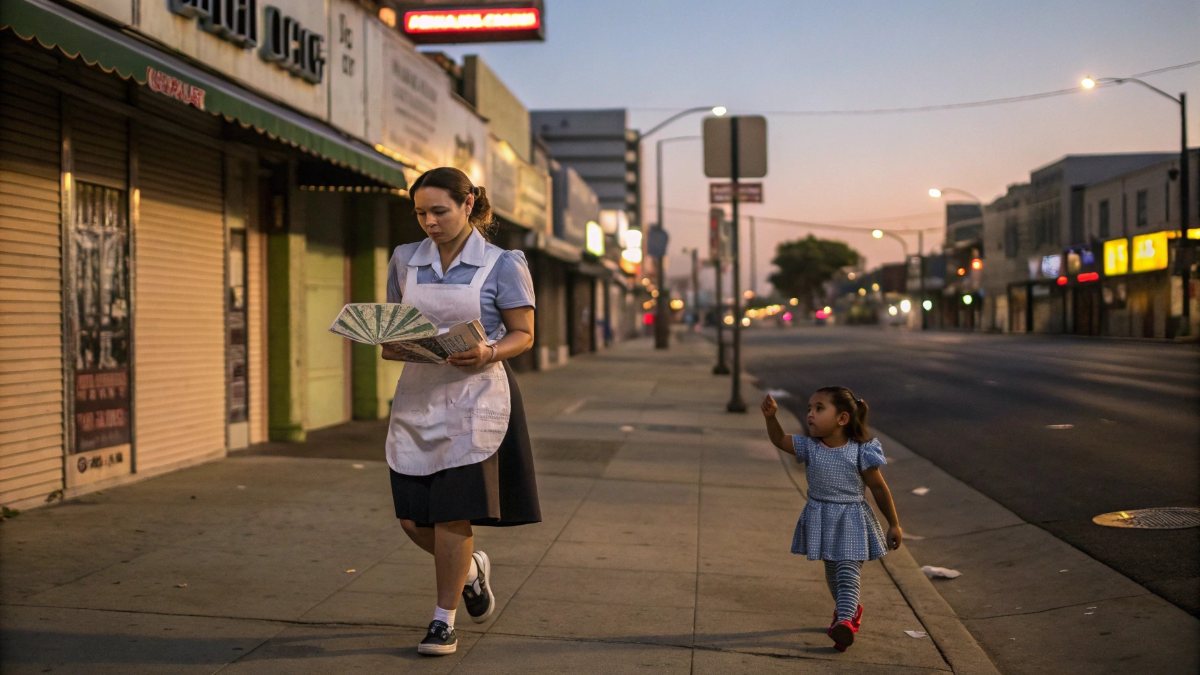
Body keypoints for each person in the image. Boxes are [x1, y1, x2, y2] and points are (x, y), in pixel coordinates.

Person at [381, 167, 541, 656]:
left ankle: (442, 621)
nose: (429, 222)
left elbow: (524, 333)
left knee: (452, 516)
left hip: (476, 399)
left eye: (439, 211)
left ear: (468, 204)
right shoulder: (405, 260)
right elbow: (394, 324)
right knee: (413, 519)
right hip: (419, 396)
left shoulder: (503, 263)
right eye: (420, 213)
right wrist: (389, 342)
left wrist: (489, 351)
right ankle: (471, 570)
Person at [760, 388, 902, 652]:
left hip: (852, 520)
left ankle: (846, 621)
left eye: (819, 408)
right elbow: (779, 440)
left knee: (848, 571)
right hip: (822, 519)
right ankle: (847, 611)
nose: (810, 414)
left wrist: (893, 523)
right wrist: (771, 418)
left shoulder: (861, 452)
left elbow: (879, 489)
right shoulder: (811, 447)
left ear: (843, 419)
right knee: (832, 572)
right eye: (809, 409)